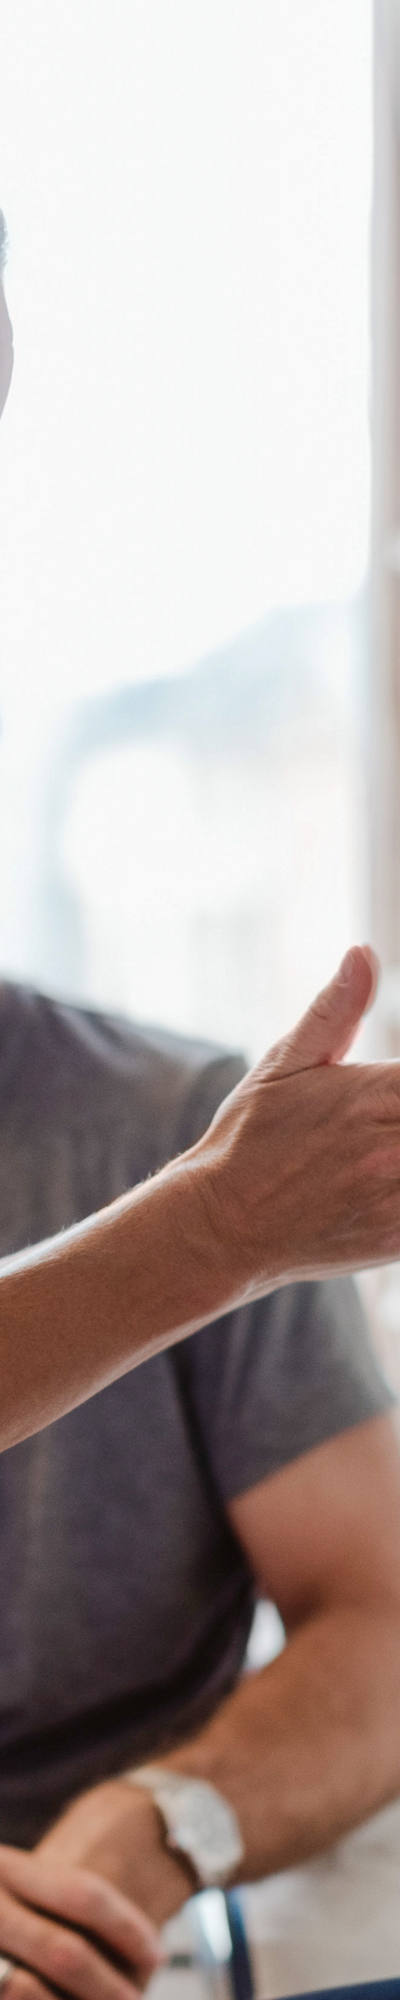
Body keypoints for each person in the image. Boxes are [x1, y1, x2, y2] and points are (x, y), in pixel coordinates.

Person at [0, 974, 399, 2000]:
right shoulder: (228, 1188)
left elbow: (378, 1617)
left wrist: (157, 1829)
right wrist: (210, 1225)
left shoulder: (186, 1118)